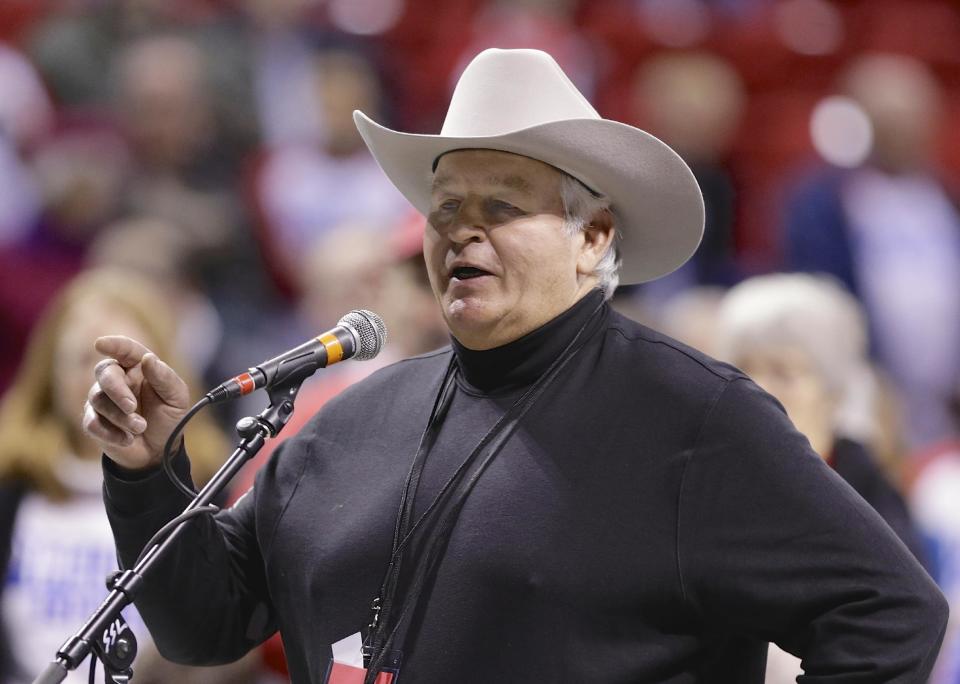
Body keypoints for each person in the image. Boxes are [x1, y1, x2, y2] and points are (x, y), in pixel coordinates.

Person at [83, 49, 947, 683]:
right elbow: (204, 624)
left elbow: (890, 613)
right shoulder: (351, 421)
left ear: (594, 237)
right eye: (445, 207)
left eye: (502, 206)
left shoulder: (694, 418)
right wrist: (145, 472)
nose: (462, 228)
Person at [0, 269, 253, 683]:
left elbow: (229, 627)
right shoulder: (12, 485)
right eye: (83, 360)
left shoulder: (213, 485)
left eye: (121, 364)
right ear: (50, 373)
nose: (105, 380)